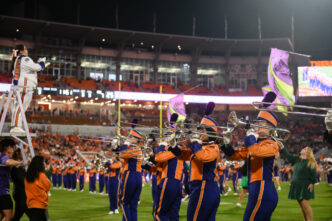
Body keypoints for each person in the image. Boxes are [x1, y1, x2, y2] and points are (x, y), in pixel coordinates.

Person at [221, 110, 279, 221]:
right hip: (256, 188)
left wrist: (251, 136)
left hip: (263, 189)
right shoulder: (256, 143)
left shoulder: (271, 144)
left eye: (261, 124)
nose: (256, 125)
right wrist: (227, 143)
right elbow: (234, 156)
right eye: (256, 122)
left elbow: (256, 151)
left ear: (270, 128)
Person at [9, 44, 46, 134]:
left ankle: (16, 125)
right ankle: (16, 126)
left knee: (19, 106)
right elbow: (37, 68)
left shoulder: (17, 59)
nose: (27, 50)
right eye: (25, 49)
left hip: (19, 86)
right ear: (21, 51)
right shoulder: (25, 58)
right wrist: (42, 62)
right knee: (21, 106)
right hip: (24, 86)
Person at [278, 143, 317, 221]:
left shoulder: (310, 161)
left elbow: (313, 174)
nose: (303, 149)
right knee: (302, 206)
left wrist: (312, 183)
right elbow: (289, 156)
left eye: (305, 149)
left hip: (305, 185)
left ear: (308, 153)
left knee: (306, 205)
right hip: (296, 185)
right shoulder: (297, 159)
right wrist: (282, 147)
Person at [119, 122, 143, 221]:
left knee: (124, 203)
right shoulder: (137, 149)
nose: (128, 138)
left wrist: (124, 144)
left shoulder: (134, 149)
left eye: (130, 137)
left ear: (135, 139)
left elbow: (121, 154)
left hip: (130, 176)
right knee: (133, 205)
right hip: (137, 177)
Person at [0, 138, 23, 221]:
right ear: (8, 147)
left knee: (2, 216)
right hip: (2, 192)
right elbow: (8, 162)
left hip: (2, 191)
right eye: (13, 147)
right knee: (9, 216)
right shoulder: (2, 156)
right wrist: (21, 162)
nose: (14, 149)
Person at [25, 155, 51, 221]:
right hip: (40, 204)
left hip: (31, 204)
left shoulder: (27, 176)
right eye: (44, 162)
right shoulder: (41, 175)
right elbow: (48, 186)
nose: (45, 163)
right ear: (41, 164)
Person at [11, 149, 31, 220]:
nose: (24, 155)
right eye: (23, 153)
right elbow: (23, 181)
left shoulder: (21, 166)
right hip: (20, 194)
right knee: (34, 216)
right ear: (18, 153)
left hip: (20, 194)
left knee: (17, 216)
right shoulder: (15, 166)